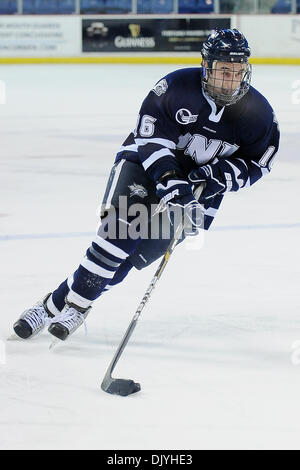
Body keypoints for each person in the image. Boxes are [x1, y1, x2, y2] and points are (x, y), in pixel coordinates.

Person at [13, 28, 280, 342]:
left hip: (197, 192)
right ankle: (79, 306)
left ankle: (53, 303)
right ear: (206, 66)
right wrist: (171, 181)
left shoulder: (259, 114)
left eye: (237, 72)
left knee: (133, 257)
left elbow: (258, 163)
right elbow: (150, 140)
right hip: (144, 167)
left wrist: (214, 177)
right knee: (119, 234)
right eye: (223, 70)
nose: (230, 79)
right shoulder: (176, 87)